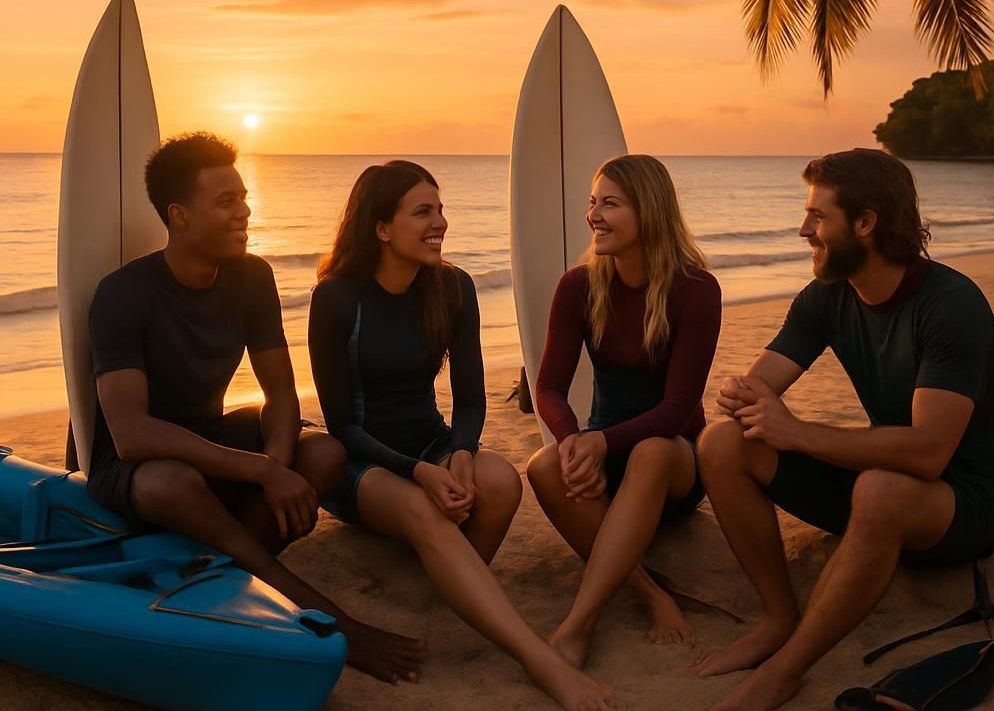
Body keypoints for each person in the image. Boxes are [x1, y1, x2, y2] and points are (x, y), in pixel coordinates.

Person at [87, 132, 425, 685]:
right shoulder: (123, 294)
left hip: (211, 437)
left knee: (322, 454)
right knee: (170, 483)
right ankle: (330, 619)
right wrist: (265, 470)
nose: (244, 211)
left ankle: (221, 569)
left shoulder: (252, 276)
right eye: (226, 202)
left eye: (244, 198)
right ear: (180, 216)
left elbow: (282, 395)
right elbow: (132, 434)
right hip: (138, 465)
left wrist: (279, 458)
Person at [696, 149, 994, 711]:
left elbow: (929, 454)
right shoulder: (827, 297)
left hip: (959, 505)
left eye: (819, 217)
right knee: (722, 442)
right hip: (878, 488)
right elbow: (760, 387)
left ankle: (784, 672)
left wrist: (794, 432)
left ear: (866, 223)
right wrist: (743, 396)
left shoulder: (952, 305)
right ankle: (778, 617)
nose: (803, 230)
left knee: (880, 488)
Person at [309, 160, 620, 711]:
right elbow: (342, 426)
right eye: (422, 212)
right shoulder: (338, 298)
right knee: (425, 510)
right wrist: (419, 472)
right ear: (381, 228)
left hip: (430, 446)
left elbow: (471, 399)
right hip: (365, 464)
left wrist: (458, 452)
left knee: (502, 482)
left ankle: (447, 580)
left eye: (441, 208)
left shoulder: (452, 287)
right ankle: (540, 660)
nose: (440, 222)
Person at [527, 154, 722, 667]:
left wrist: (601, 442)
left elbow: (678, 408)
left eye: (610, 204)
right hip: (606, 454)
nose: (594, 214)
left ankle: (578, 625)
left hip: (673, 463)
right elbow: (546, 386)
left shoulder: (696, 290)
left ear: (649, 211)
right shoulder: (578, 286)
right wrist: (572, 441)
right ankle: (652, 594)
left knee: (652, 453)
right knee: (543, 464)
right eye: (592, 202)